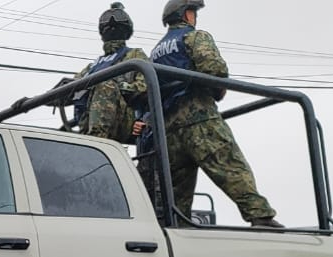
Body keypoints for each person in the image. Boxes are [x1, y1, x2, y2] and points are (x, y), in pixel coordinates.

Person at [148, 0, 282, 227]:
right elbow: (215, 70)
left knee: (174, 195)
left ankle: (173, 228)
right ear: (186, 15)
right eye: (193, 12)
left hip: (169, 127)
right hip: (199, 118)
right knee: (229, 165)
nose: (195, 17)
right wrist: (217, 91)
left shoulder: (155, 52)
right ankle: (260, 216)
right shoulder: (194, 37)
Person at [69, 3, 149, 144]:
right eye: (106, 22)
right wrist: (32, 101)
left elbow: (145, 86)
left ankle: (96, 142)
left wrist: (118, 86)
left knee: (105, 85)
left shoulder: (134, 55)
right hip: (86, 122)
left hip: (125, 120)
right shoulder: (93, 66)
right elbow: (68, 88)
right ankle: (89, 141)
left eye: (116, 21)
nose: (111, 24)